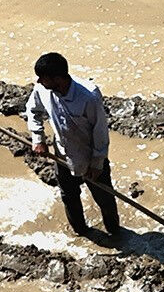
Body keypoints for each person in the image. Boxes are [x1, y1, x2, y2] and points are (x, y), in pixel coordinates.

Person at [24, 52, 121, 243]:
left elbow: (100, 132)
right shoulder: (42, 89)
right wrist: (38, 138)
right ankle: (81, 231)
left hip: (90, 157)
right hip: (62, 155)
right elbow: (32, 110)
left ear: (57, 79)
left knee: (105, 199)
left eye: (42, 77)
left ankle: (116, 232)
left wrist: (97, 163)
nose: (38, 81)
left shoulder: (89, 96)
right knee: (69, 196)